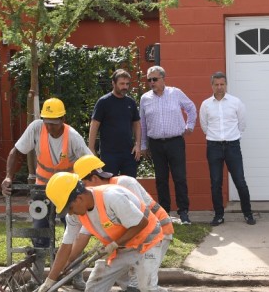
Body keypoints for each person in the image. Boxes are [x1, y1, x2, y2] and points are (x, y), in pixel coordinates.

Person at [39, 172, 191, 292]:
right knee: (95, 283)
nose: (70, 213)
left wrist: (114, 244)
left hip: (147, 241)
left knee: (148, 288)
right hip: (121, 247)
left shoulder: (112, 198)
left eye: (69, 207)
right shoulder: (74, 215)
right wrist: (50, 280)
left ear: (79, 198)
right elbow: (66, 247)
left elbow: (141, 223)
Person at [73, 154, 174, 292]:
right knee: (118, 272)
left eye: (84, 184)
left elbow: (141, 219)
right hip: (130, 238)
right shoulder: (94, 200)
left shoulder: (123, 184)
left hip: (157, 232)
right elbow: (84, 234)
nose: (83, 190)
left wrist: (115, 243)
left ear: (94, 178)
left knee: (138, 277)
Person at [1, 97, 91, 256]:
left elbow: (89, 163)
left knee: (71, 231)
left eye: (53, 123)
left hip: (67, 191)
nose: (49, 127)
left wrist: (88, 187)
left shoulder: (73, 137)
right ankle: (38, 275)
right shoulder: (36, 128)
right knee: (39, 232)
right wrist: (8, 176)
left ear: (63, 119)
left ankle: (74, 273)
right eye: (46, 122)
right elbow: (16, 152)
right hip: (42, 188)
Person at [138, 65, 196, 224]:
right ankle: (164, 214)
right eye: (149, 80)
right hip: (156, 144)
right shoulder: (145, 98)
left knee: (179, 178)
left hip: (175, 142)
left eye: (155, 79)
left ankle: (183, 212)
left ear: (163, 79)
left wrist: (189, 126)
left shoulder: (175, 93)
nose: (151, 82)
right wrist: (143, 145)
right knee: (161, 179)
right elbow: (142, 123)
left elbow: (191, 108)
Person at [199, 72, 255, 226]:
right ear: (212, 85)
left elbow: (242, 124)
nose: (219, 87)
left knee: (240, 181)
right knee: (216, 182)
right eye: (216, 84)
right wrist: (215, 137)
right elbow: (204, 126)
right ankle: (218, 215)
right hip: (213, 146)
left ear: (226, 85)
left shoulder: (236, 102)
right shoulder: (206, 104)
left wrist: (234, 137)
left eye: (222, 84)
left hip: (232, 146)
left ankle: (248, 213)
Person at [88, 69, 142, 177]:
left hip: (129, 153)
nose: (125, 87)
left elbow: (137, 124)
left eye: (127, 84)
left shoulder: (130, 102)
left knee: (130, 185)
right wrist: (91, 149)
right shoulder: (103, 102)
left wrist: (138, 145)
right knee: (110, 187)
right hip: (109, 154)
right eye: (122, 83)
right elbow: (94, 125)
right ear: (113, 83)